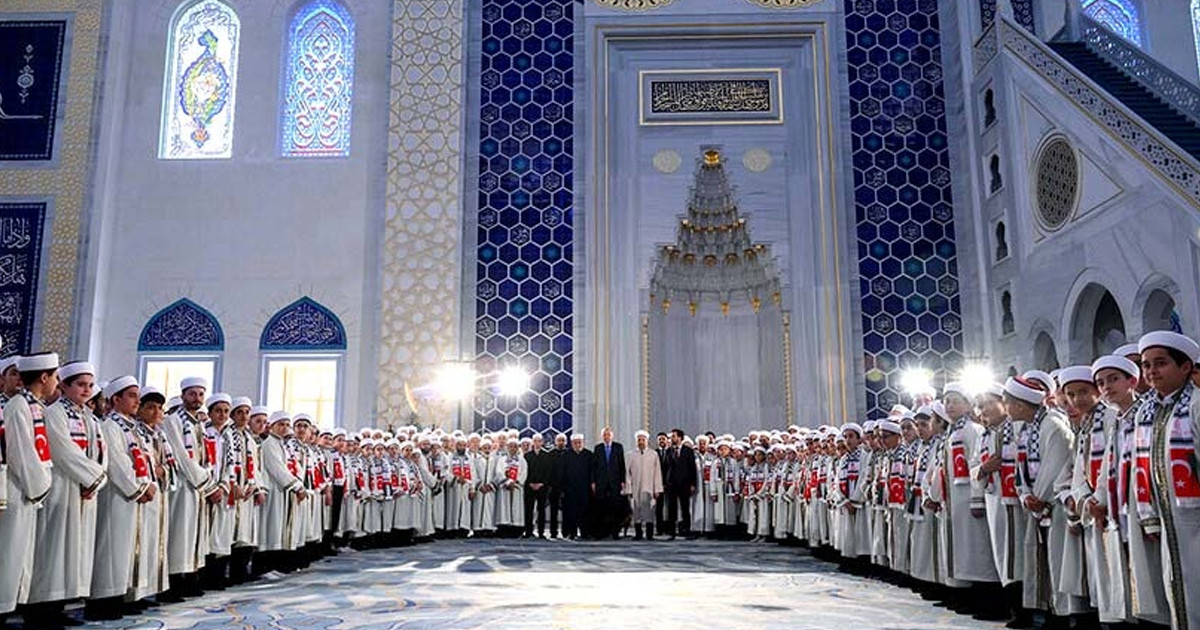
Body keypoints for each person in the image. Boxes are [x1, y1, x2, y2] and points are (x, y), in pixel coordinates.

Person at [28, 361, 107, 627]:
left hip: (85, 491)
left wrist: (95, 479)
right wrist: (91, 477)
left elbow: (101, 452)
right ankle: (41, 610)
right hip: (62, 488)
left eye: (89, 385)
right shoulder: (54, 414)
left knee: (75, 550)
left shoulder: (91, 418)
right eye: (80, 385)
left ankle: (61, 605)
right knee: (54, 549)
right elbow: (62, 451)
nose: (86, 390)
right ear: (64, 385)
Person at [1136, 331, 1200, 630]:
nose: (1151, 372)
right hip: (1170, 519)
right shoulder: (1148, 411)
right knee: (1178, 588)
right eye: (1146, 365)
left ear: (1185, 367)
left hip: (1195, 518)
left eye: (1160, 363)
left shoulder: (1196, 405)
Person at [87, 376, 156, 621]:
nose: (137, 401)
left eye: (137, 395)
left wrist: (147, 484)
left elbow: (144, 461)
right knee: (111, 548)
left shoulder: (130, 427)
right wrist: (138, 487)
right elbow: (117, 463)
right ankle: (103, 602)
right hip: (117, 496)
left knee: (126, 548)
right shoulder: (110, 426)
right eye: (131, 395)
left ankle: (122, 596)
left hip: (133, 495)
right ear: (115, 399)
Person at [162, 377, 220, 599]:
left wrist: (208, 482)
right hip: (183, 486)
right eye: (192, 394)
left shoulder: (200, 424)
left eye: (200, 394)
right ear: (184, 395)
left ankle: (190, 580)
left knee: (194, 535)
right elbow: (181, 456)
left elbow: (206, 457)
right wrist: (206, 482)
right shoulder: (173, 420)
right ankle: (174, 584)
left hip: (198, 486)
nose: (197, 399)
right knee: (179, 534)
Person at [624, 430, 663, 540]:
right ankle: (638, 533)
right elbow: (627, 473)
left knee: (649, 511)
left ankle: (649, 534)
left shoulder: (653, 454)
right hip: (635, 488)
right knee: (636, 510)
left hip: (649, 488)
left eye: (643, 440)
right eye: (639, 440)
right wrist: (629, 489)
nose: (641, 442)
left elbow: (657, 473)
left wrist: (657, 489)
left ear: (647, 441)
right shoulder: (630, 455)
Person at [591, 426, 626, 539]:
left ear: (612, 436)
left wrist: (622, 481)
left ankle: (615, 532)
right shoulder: (598, 448)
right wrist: (593, 482)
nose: (606, 437)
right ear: (602, 436)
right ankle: (600, 532)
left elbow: (621, 465)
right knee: (600, 508)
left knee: (615, 508)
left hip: (615, 482)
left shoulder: (618, 447)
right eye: (604, 435)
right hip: (601, 483)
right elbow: (594, 467)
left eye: (608, 434)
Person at [662, 428, 696, 540]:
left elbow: (692, 468)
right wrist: (664, 482)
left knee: (685, 508)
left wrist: (692, 483)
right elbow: (665, 468)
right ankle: (671, 532)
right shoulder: (668, 451)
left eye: (674, 436)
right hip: (671, 484)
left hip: (685, 483)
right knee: (671, 509)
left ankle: (686, 530)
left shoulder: (688, 451)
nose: (672, 439)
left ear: (680, 437)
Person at [494, 438, 527, 536]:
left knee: (516, 508)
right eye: (511, 446)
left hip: (516, 487)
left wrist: (515, 481)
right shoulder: (502, 459)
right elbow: (499, 472)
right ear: (507, 447)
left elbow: (524, 473)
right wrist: (507, 481)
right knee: (504, 509)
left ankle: (516, 529)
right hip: (505, 487)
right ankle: (504, 529)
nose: (513, 448)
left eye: (515, 446)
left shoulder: (522, 460)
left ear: (518, 448)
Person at [562, 433, 592, 540]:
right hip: (570, 489)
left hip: (584, 488)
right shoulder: (566, 455)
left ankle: (585, 533)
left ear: (583, 443)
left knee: (585, 511)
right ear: (571, 444)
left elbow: (592, 472)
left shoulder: (588, 455)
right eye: (575, 442)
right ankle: (572, 533)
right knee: (571, 512)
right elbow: (563, 472)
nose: (578, 444)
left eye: (579, 442)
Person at [523, 433, 549, 538]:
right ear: (533, 442)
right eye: (535, 441)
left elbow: (548, 471)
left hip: (542, 487)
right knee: (528, 510)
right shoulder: (527, 456)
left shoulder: (547, 455)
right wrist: (530, 483)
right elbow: (525, 471)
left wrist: (541, 483)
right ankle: (528, 531)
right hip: (530, 486)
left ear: (542, 442)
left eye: (539, 441)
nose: (537, 443)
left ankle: (541, 532)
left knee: (541, 509)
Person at [546, 433, 568, 539]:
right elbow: (548, 471)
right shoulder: (551, 454)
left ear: (566, 442)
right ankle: (553, 532)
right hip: (554, 486)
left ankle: (566, 532)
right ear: (555, 442)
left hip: (566, 487)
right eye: (559, 440)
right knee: (553, 511)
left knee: (566, 511)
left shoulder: (569, 454)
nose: (561, 442)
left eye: (563, 440)